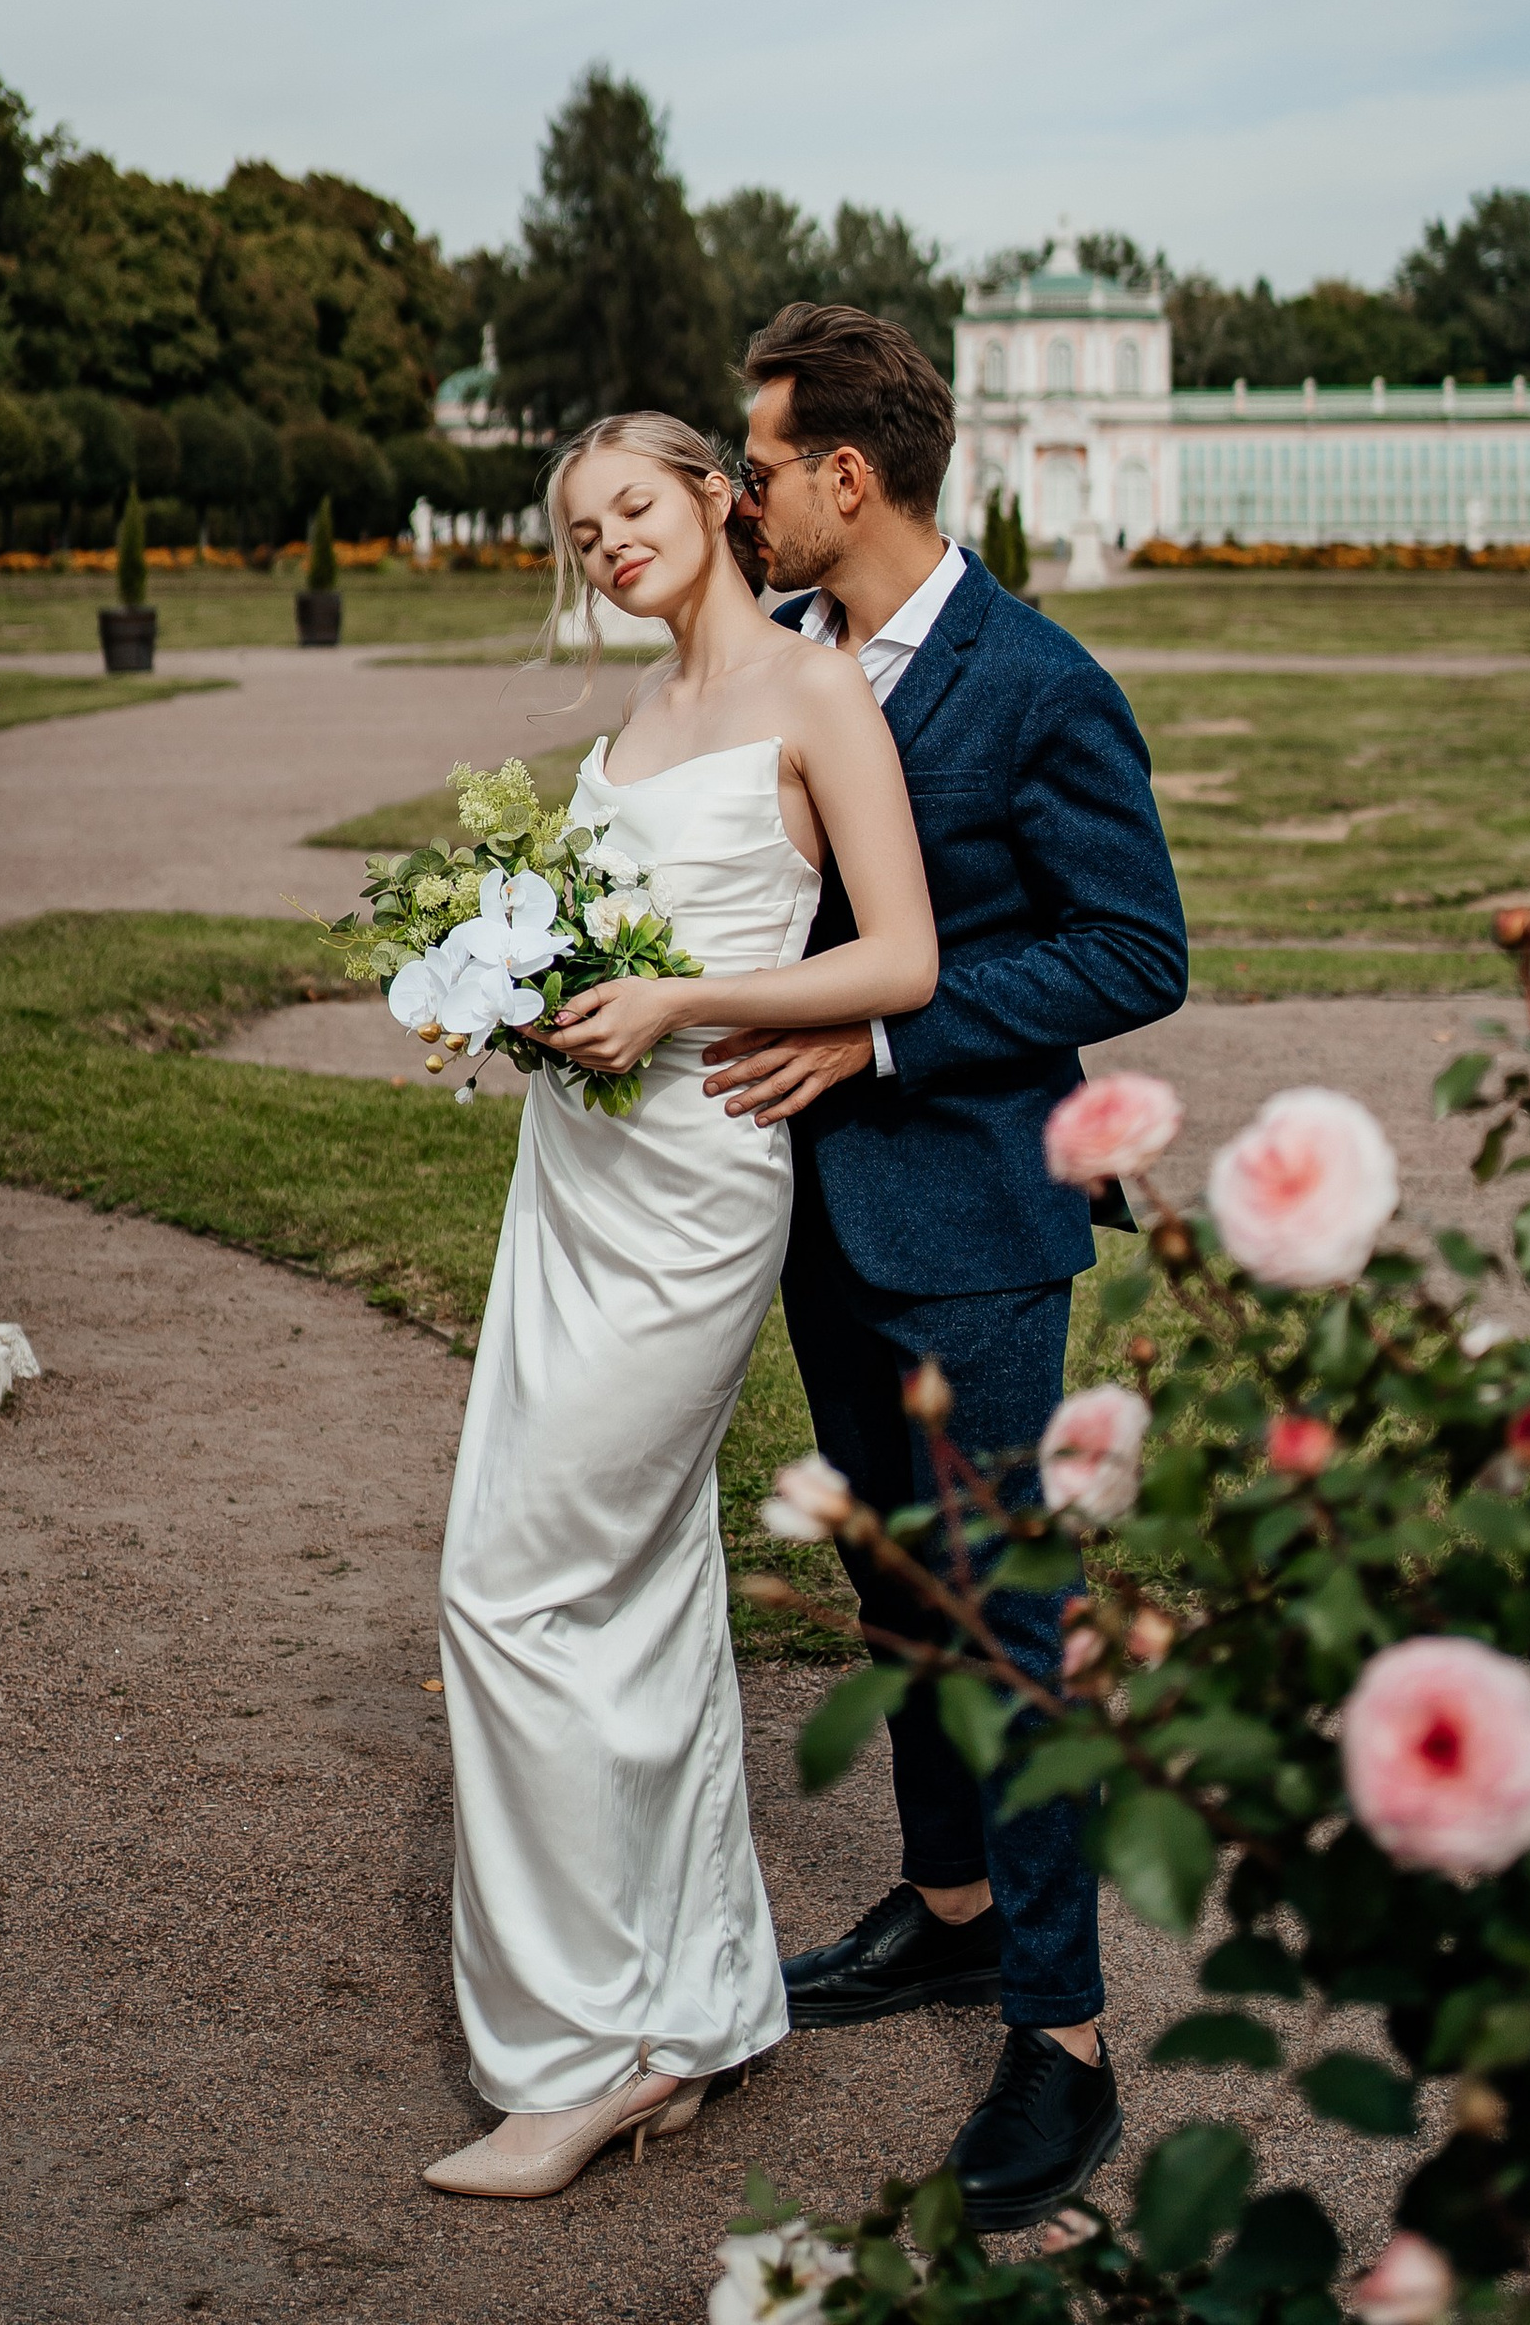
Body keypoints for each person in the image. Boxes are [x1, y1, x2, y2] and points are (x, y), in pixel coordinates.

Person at [423, 409, 942, 2201]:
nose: (609, 544)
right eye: (580, 533)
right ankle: (689, 2015)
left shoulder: (816, 696)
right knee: (629, 1589)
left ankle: (584, 2058)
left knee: (513, 1585)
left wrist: (677, 1008)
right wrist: (512, 997)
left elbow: (902, 956)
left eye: (630, 508)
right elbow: (591, 946)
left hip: (699, 1190)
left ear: (718, 500)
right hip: (572, 1187)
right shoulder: (632, 726)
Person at [708, 301, 1187, 2238]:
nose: (740, 493)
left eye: (756, 462)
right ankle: (954, 1909)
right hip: (813, 1218)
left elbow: (1129, 948)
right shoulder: (783, 658)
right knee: (893, 1593)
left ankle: (1063, 2041)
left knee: (1010, 1624)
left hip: (973, 1226)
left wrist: (892, 1035)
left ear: (847, 473)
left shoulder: (1034, 679)